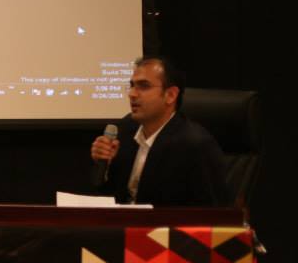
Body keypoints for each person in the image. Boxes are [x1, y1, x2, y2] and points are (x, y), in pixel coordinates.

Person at [90, 56, 230, 206]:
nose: (132, 94)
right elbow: (111, 195)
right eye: (132, 86)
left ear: (170, 95)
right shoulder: (125, 129)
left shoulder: (195, 145)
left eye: (144, 86)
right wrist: (105, 166)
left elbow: (212, 210)